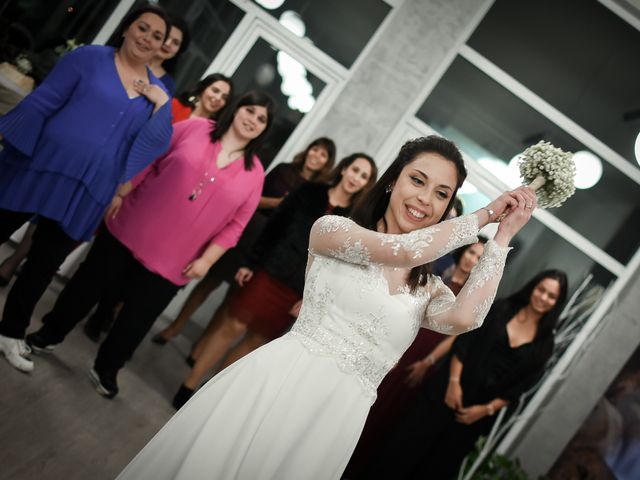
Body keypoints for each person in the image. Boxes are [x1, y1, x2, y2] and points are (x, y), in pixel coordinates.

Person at [113, 135, 536, 480]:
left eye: (441, 194)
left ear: (447, 208)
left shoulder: (427, 288)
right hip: (277, 385)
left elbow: (467, 317)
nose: (425, 199)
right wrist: (484, 216)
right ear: (392, 181)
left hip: (335, 418)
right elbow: (401, 250)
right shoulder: (335, 231)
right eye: (418, 180)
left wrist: (501, 240)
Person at [25, 91, 276, 399]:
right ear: (236, 110)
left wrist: (207, 261)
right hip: (131, 225)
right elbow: (151, 158)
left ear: (265, 129)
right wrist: (121, 192)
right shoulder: (195, 129)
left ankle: (107, 368)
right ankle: (48, 334)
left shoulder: (255, 175)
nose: (252, 119)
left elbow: (236, 226)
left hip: (178, 258)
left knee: (138, 318)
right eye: (249, 110)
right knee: (86, 287)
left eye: (261, 118)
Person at [0, 5, 173, 373]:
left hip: (89, 190)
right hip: (43, 165)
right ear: (127, 28)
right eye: (142, 28)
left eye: (156, 36)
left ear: (161, 48)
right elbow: (45, 100)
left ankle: (10, 332)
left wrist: (162, 105)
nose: (147, 38)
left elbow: (154, 145)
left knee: (43, 265)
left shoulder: (155, 92)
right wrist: (12, 137)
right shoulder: (89, 58)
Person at [172, 153, 378, 408]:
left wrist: (310, 299)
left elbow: (337, 268)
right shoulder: (310, 190)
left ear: (367, 184)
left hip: (298, 289)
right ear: (344, 169)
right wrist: (251, 262)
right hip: (270, 270)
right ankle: (188, 384)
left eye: (364, 176)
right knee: (233, 326)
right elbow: (275, 225)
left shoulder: (354, 220)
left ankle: (210, 392)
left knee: (255, 341)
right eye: (355, 170)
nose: (356, 178)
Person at [367, 269, 568, 480]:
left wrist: (483, 410)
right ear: (533, 288)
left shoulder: (545, 345)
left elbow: (519, 388)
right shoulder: (501, 309)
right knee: (401, 450)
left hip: (472, 418)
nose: (543, 298)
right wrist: (454, 383)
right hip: (445, 391)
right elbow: (464, 342)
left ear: (558, 302)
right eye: (541, 290)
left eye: (551, 296)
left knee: (436, 469)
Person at [82, 72, 235, 343]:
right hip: (133, 186)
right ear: (203, 88)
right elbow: (148, 145)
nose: (217, 98)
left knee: (134, 273)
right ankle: (89, 306)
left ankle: (107, 315)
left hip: (159, 210)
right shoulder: (174, 109)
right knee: (105, 254)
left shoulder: (213, 134)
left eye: (224, 96)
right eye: (215, 90)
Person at [152, 136, 336, 348]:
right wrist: (280, 203)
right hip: (248, 233)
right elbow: (253, 198)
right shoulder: (284, 171)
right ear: (308, 150)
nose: (316, 156)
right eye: (315, 149)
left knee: (232, 299)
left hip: (268, 248)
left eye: (323, 155)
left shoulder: (317, 192)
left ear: (327, 163)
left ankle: (200, 347)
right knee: (209, 282)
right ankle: (173, 328)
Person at [344, 237, 487, 478]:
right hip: (406, 341)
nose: (472, 259)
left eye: (479, 259)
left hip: (425, 353)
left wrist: (428, 361)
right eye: (472, 253)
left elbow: (455, 337)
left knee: (392, 409)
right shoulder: (439, 277)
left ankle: (357, 467)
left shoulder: (468, 298)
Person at [148, 16, 191, 96]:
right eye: (166, 36)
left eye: (175, 43)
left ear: (179, 50)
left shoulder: (169, 85)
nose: (168, 44)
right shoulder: (129, 57)